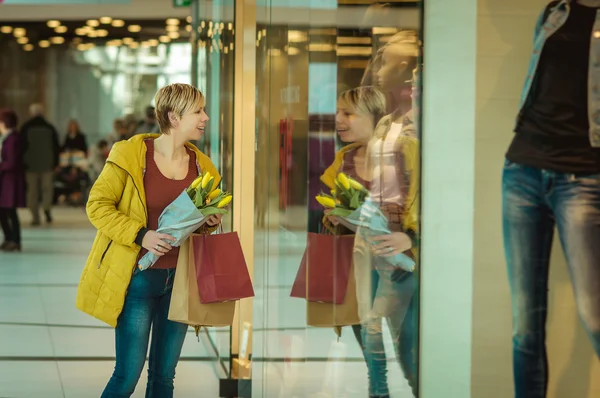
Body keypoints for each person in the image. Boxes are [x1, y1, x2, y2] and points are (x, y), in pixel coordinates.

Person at [76, 83, 223, 397]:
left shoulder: (203, 166)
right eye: (198, 111)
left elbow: (193, 223)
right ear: (173, 116)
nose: (205, 117)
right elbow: (97, 206)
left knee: (163, 378)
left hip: (181, 281)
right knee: (126, 376)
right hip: (138, 279)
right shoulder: (130, 155)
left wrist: (207, 223)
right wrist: (142, 235)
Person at [503, 1, 600, 397]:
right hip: (521, 171)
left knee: (594, 316)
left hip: (583, 176)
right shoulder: (556, 9)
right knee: (525, 326)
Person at [320, 86, 388, 396]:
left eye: (348, 113)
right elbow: (338, 207)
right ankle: (379, 386)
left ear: (373, 116)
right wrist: (334, 215)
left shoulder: (397, 155)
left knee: (405, 338)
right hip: (358, 259)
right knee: (366, 326)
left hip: (394, 260)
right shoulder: (344, 158)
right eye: (338, 112)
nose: (338, 119)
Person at [21, 103, 60, 226]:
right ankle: (46, 208)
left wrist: (22, 163)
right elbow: (56, 147)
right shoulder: (50, 127)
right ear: (42, 112)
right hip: (47, 165)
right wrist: (55, 163)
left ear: (31, 113)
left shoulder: (25, 127)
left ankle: (35, 217)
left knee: (32, 192)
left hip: (30, 166)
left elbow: (20, 148)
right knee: (47, 190)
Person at [0, 109, 26, 252]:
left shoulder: (12, 139)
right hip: (7, 180)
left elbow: (11, 162)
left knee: (9, 211)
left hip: (10, 180)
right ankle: (9, 238)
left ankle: (14, 240)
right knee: (5, 211)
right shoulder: (9, 138)